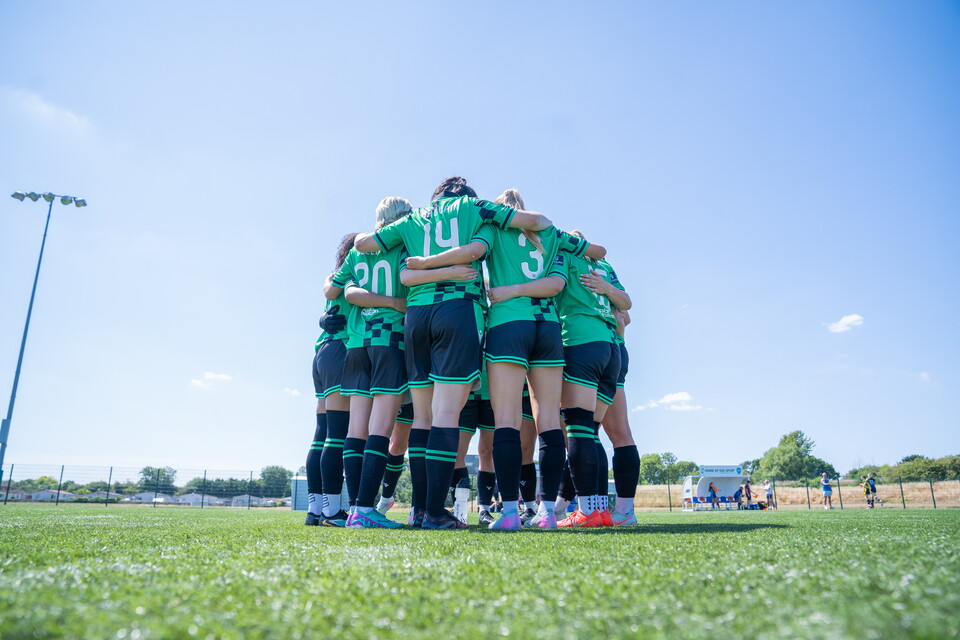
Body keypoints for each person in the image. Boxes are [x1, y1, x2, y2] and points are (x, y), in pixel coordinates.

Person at [354, 178, 552, 530]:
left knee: (422, 418)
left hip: (416, 317)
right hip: (458, 311)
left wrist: (420, 261)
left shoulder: (413, 218)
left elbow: (365, 242)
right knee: (447, 413)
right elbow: (538, 222)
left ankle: (417, 510)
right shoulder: (473, 208)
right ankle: (433, 511)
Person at [404, 188, 602, 530]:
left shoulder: (492, 227)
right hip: (549, 327)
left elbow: (473, 251)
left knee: (506, 421)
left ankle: (509, 513)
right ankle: (545, 514)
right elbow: (596, 252)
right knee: (550, 422)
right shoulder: (551, 233)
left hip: (508, 325)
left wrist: (426, 264)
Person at [325, 197, 412, 529]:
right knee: (381, 431)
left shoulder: (356, 252)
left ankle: (355, 509)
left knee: (355, 431)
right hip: (390, 341)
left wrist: (355, 290)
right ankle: (364, 509)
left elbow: (334, 291)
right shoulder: (404, 246)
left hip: (357, 346)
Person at [556, 231, 632, 528]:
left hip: (580, 342)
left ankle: (586, 511)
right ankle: (599, 510)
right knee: (591, 432)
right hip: (611, 349)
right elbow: (625, 306)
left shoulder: (565, 258)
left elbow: (554, 287)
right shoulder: (604, 266)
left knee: (578, 430)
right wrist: (605, 289)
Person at [315, 234, 358, 527]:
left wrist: (321, 319)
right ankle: (332, 512)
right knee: (339, 435)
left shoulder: (334, 276)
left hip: (323, 352)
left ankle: (316, 509)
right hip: (342, 350)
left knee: (323, 432)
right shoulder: (359, 274)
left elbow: (330, 297)